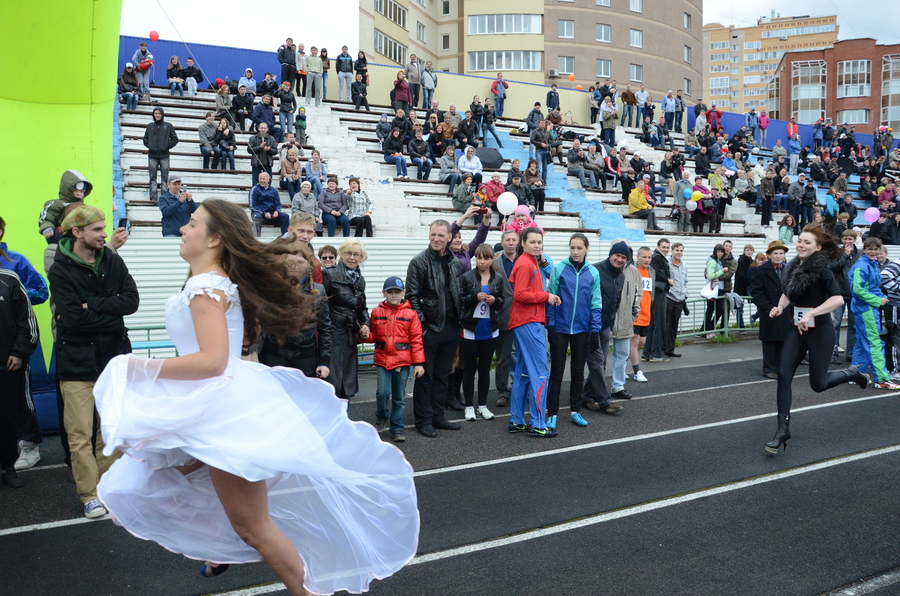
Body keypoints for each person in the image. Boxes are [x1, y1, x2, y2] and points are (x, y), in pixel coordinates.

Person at [93, 197, 416, 593]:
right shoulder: (215, 285)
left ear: (214, 239)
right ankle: (219, 549)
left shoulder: (206, 287)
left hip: (221, 411)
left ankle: (300, 588)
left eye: (192, 223)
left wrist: (136, 366)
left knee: (253, 526)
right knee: (152, 477)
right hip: (213, 405)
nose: (182, 228)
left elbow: (212, 361)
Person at [48, 205, 138, 517]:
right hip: (76, 362)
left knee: (109, 431)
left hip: (113, 360)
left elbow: (132, 301)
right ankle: (88, 494)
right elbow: (72, 319)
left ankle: (106, 489)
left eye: (103, 228)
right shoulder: (59, 269)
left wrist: (94, 306)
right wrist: (109, 312)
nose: (105, 234)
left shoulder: (111, 259)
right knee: (79, 434)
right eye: (98, 229)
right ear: (77, 233)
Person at [765, 225, 870, 454]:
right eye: (800, 240)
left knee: (818, 385)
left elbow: (839, 300)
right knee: (783, 375)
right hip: (797, 330)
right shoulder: (793, 267)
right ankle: (783, 429)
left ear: (818, 247)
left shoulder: (822, 269)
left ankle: (850, 373)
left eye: (807, 242)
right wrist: (780, 307)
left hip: (821, 331)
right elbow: (788, 291)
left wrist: (812, 313)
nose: (801, 244)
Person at [406, 220, 464, 438]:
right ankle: (423, 420)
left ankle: (438, 416)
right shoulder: (418, 262)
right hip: (429, 328)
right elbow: (412, 296)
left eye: (441, 235)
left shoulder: (455, 262)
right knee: (426, 376)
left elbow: (456, 292)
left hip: (451, 326)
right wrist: (422, 326)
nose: (437, 239)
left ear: (450, 237)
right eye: (433, 234)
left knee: (442, 375)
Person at [547, 233, 602, 429]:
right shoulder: (559, 268)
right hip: (560, 328)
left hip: (582, 329)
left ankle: (575, 411)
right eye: (572, 248)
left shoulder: (593, 273)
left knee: (578, 372)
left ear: (586, 249)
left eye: (579, 248)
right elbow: (552, 299)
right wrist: (551, 325)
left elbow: (596, 303)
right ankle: (552, 413)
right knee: (557, 372)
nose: (576, 252)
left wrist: (595, 331)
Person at [508, 228, 559, 438]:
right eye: (533, 242)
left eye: (539, 242)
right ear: (523, 243)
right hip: (529, 321)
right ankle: (538, 423)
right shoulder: (525, 263)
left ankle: (517, 420)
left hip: (525, 321)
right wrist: (546, 296)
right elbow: (520, 294)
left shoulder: (531, 261)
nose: (537, 246)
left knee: (523, 372)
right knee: (540, 373)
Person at [257, 240, 331, 379]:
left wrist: (324, 361)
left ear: (309, 265)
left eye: (300, 262)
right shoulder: (271, 288)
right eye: (290, 262)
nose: (295, 267)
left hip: (305, 357)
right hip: (274, 355)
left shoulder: (318, 291)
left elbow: (325, 327)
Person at [362, 276, 424, 442]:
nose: (394, 295)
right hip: (383, 360)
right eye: (390, 292)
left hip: (403, 362)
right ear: (384, 293)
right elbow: (373, 335)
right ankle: (381, 417)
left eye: (397, 292)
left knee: (399, 397)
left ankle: (397, 428)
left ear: (403, 292)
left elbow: (416, 339)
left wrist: (418, 363)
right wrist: (364, 335)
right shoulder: (376, 312)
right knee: (382, 393)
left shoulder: (411, 314)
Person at [0, 266, 38, 488]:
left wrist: (18, 352)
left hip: (7, 366)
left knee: (5, 419)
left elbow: (28, 322)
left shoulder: (9, 279)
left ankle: (8, 467)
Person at [582, 240, 631, 408]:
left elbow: (615, 302)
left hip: (605, 326)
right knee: (597, 362)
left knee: (601, 363)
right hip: (590, 325)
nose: (620, 259)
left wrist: (610, 326)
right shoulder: (595, 270)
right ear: (611, 254)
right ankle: (604, 401)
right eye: (618, 255)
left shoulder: (621, 276)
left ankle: (587, 396)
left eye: (624, 257)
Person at [459, 244, 505, 421]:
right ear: (475, 258)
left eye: (486, 258)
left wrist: (495, 300)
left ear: (492, 259)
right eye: (479, 258)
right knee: (469, 369)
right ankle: (469, 406)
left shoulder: (498, 278)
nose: (482, 261)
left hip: (490, 328)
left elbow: (503, 301)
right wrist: (473, 297)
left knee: (485, 369)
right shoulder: (466, 277)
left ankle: (483, 405)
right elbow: (461, 301)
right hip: (471, 328)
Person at [322, 240, 370, 403]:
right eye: (348, 253)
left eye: (356, 254)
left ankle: (344, 424)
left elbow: (362, 308)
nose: (352, 257)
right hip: (332, 336)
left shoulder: (360, 280)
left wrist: (365, 324)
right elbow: (321, 305)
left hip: (350, 336)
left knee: (346, 387)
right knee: (331, 385)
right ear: (341, 254)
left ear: (362, 258)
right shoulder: (329, 274)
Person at [848, 237, 899, 389]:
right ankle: (882, 379)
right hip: (866, 309)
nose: (873, 251)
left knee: (862, 343)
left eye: (876, 249)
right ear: (864, 249)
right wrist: (877, 300)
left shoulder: (872, 264)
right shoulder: (862, 266)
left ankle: (856, 375)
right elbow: (858, 290)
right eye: (870, 248)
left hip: (868, 308)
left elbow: (874, 288)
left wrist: (882, 297)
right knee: (875, 343)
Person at [749, 241, 791, 379]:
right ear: (769, 255)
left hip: (785, 310)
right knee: (770, 340)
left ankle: (779, 367)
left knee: (783, 339)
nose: (778, 256)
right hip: (768, 309)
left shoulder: (788, 269)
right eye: (775, 253)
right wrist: (767, 307)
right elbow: (756, 293)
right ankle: (768, 368)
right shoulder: (760, 270)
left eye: (781, 253)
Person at [642, 238, 672, 362]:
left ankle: (647, 353)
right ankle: (656, 354)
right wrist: (667, 280)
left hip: (656, 293)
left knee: (653, 324)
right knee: (659, 324)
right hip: (659, 293)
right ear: (658, 246)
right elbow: (653, 272)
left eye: (667, 247)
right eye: (663, 247)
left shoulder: (657, 257)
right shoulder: (657, 257)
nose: (665, 249)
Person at [143, 107, 179, 202]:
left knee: (164, 178)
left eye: (159, 113)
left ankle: (164, 197)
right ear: (153, 115)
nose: (157, 115)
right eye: (156, 113)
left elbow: (175, 139)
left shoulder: (168, 126)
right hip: (152, 155)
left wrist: (166, 147)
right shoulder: (150, 126)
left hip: (164, 156)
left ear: (162, 114)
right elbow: (145, 139)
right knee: (152, 178)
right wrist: (151, 146)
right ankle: (153, 198)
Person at [665, 242, 688, 358]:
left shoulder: (684, 266)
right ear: (672, 251)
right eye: (677, 250)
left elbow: (685, 282)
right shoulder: (667, 264)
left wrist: (685, 296)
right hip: (669, 298)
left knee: (674, 326)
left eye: (681, 250)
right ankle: (663, 349)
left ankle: (670, 349)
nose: (679, 252)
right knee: (666, 326)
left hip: (680, 300)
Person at [250, 172, 289, 236]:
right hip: (259, 212)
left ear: (268, 180)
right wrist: (263, 213)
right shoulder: (254, 189)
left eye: (264, 179)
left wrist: (277, 211)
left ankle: (285, 238)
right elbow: (252, 206)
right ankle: (257, 238)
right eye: (260, 179)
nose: (262, 181)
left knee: (285, 216)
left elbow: (278, 204)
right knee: (257, 217)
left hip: (271, 213)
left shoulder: (274, 190)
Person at [703, 245, 727, 338]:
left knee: (717, 311)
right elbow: (711, 275)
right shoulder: (712, 261)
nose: (720, 253)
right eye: (718, 251)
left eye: (722, 252)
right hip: (713, 288)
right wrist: (722, 271)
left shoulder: (718, 261)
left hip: (718, 288)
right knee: (711, 310)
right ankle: (709, 331)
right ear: (715, 252)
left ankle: (709, 330)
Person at [248, 122, 278, 186]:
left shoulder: (272, 139)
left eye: (264, 128)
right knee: (255, 182)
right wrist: (259, 147)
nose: (263, 130)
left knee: (268, 182)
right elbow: (249, 150)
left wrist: (269, 149)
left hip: (267, 163)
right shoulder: (253, 138)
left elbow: (275, 151)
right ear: (258, 128)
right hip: (256, 163)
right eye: (261, 128)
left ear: (267, 129)